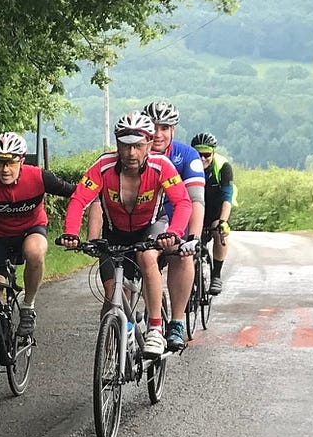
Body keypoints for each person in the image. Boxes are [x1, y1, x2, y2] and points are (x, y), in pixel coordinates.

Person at [60, 112, 190, 358]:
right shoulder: (103, 166)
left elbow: (183, 202)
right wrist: (71, 232)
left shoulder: (162, 166)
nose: (131, 153)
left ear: (149, 144)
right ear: (117, 144)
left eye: (138, 146)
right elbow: (79, 199)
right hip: (115, 233)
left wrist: (174, 232)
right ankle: (114, 347)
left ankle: (155, 329)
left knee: (147, 258)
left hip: (151, 227)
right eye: (125, 146)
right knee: (112, 298)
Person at [0, 133, 78, 342]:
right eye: (0, 162)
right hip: (0, 238)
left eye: (10, 163)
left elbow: (76, 194)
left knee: (34, 252)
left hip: (32, 230)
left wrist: (72, 227)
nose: (5, 169)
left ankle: (28, 306)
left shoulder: (39, 177)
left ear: (22, 160)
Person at [143, 100, 206, 351]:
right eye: (153, 127)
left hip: (177, 221)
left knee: (182, 255)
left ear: (173, 130)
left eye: (164, 128)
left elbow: (196, 200)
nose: (158, 134)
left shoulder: (187, 155)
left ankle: (177, 322)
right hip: (146, 221)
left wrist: (194, 237)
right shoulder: (135, 152)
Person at [191, 132, 234, 294]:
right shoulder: (187, 165)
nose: (202, 159)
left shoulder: (223, 167)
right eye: (198, 155)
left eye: (206, 155)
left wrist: (223, 221)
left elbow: (227, 198)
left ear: (213, 153)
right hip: (194, 211)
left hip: (215, 211)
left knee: (220, 231)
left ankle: (216, 275)